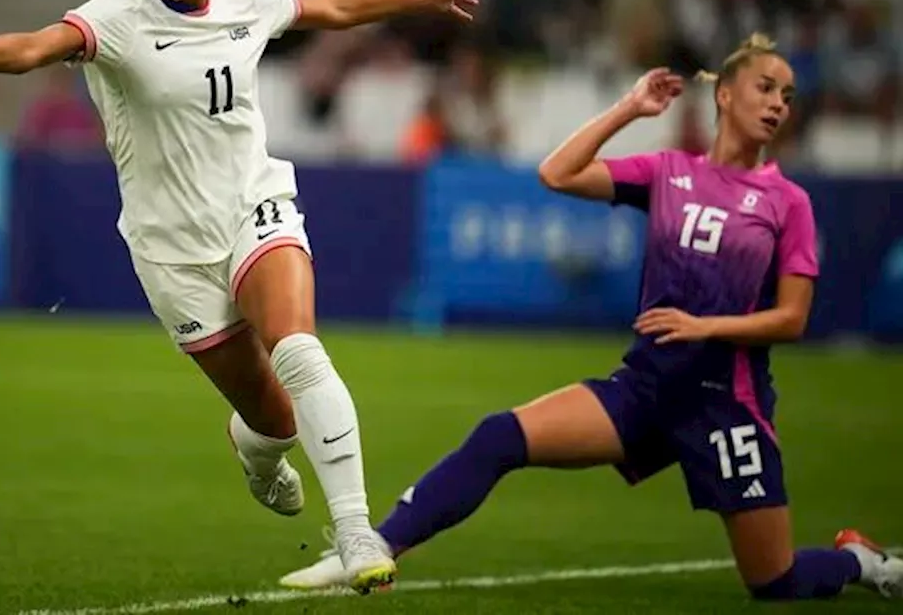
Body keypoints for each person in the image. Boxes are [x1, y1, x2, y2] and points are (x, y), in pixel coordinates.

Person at [0, 0, 488, 593]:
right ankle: (255, 452)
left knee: (300, 349)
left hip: (255, 208)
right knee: (275, 419)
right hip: (172, 250)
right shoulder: (119, 15)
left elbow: (332, 6)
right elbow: (34, 48)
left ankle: (355, 532)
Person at [278, 35, 903, 601]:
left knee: (776, 582)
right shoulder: (670, 173)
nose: (777, 104)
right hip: (646, 388)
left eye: (787, 95)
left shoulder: (786, 202)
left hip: (725, 406)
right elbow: (557, 173)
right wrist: (630, 109)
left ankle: (860, 563)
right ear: (726, 91)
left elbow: (793, 319)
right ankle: (376, 548)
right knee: (501, 436)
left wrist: (703, 328)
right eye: (766, 87)